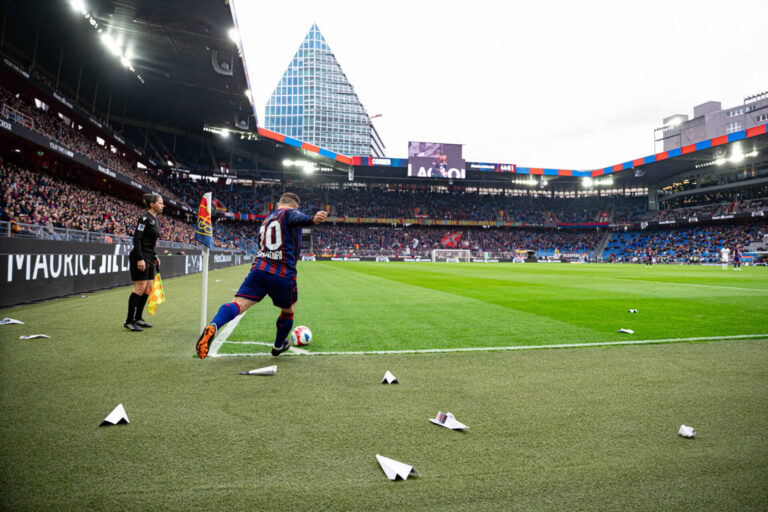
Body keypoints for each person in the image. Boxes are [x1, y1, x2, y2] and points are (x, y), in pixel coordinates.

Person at [195, 193, 327, 359]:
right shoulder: (289, 213)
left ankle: (214, 326)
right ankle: (278, 346)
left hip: (259, 269)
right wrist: (312, 219)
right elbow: (296, 218)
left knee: (239, 303)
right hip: (282, 272)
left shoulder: (267, 219)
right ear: (295, 206)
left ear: (278, 203)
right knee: (288, 311)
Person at [125, 194, 164, 331]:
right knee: (139, 288)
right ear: (152, 204)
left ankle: (138, 318)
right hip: (139, 256)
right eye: (160, 203)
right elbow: (137, 239)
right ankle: (129, 321)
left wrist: (154, 255)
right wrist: (140, 258)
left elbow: (150, 242)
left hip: (149, 256)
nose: (162, 205)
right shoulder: (144, 219)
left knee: (148, 288)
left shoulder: (155, 220)